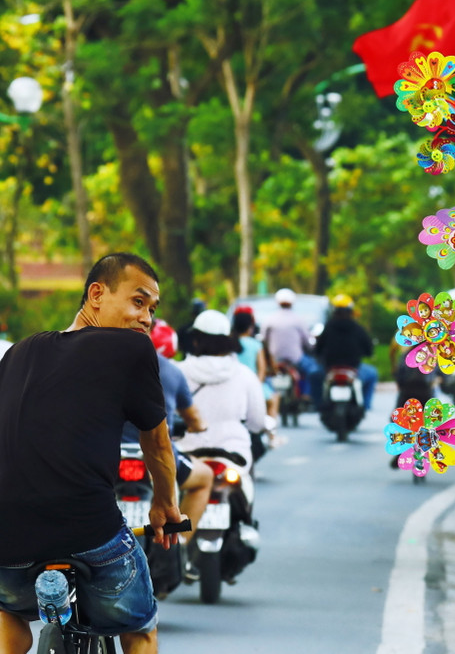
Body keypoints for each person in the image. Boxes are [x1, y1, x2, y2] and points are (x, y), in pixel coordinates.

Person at [0, 252, 182, 654]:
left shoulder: (17, 353)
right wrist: (165, 505)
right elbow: (157, 443)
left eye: (151, 309)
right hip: (89, 534)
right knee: (140, 628)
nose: (147, 319)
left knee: (9, 620)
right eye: (138, 302)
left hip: (7, 540)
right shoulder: (131, 350)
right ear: (96, 294)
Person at [120, 318, 213, 547]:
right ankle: (180, 544)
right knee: (206, 477)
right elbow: (192, 418)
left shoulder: (100, 366)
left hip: (111, 456)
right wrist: (198, 426)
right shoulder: (172, 371)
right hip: (158, 460)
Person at [175, 309, 267, 469]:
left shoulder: (177, 372)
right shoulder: (245, 374)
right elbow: (257, 422)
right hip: (234, 455)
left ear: (196, 340)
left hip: (187, 453)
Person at [312, 294, 377, 412]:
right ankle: (365, 406)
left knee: (314, 375)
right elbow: (368, 349)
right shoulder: (358, 328)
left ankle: (318, 405)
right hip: (353, 368)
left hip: (330, 368)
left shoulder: (327, 327)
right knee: (372, 374)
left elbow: (318, 349)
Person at [232, 309, 281, 423]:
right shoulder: (256, 345)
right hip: (253, 385)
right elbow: (262, 370)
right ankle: (272, 436)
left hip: (234, 385)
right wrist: (256, 387)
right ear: (250, 327)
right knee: (273, 400)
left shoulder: (230, 343)